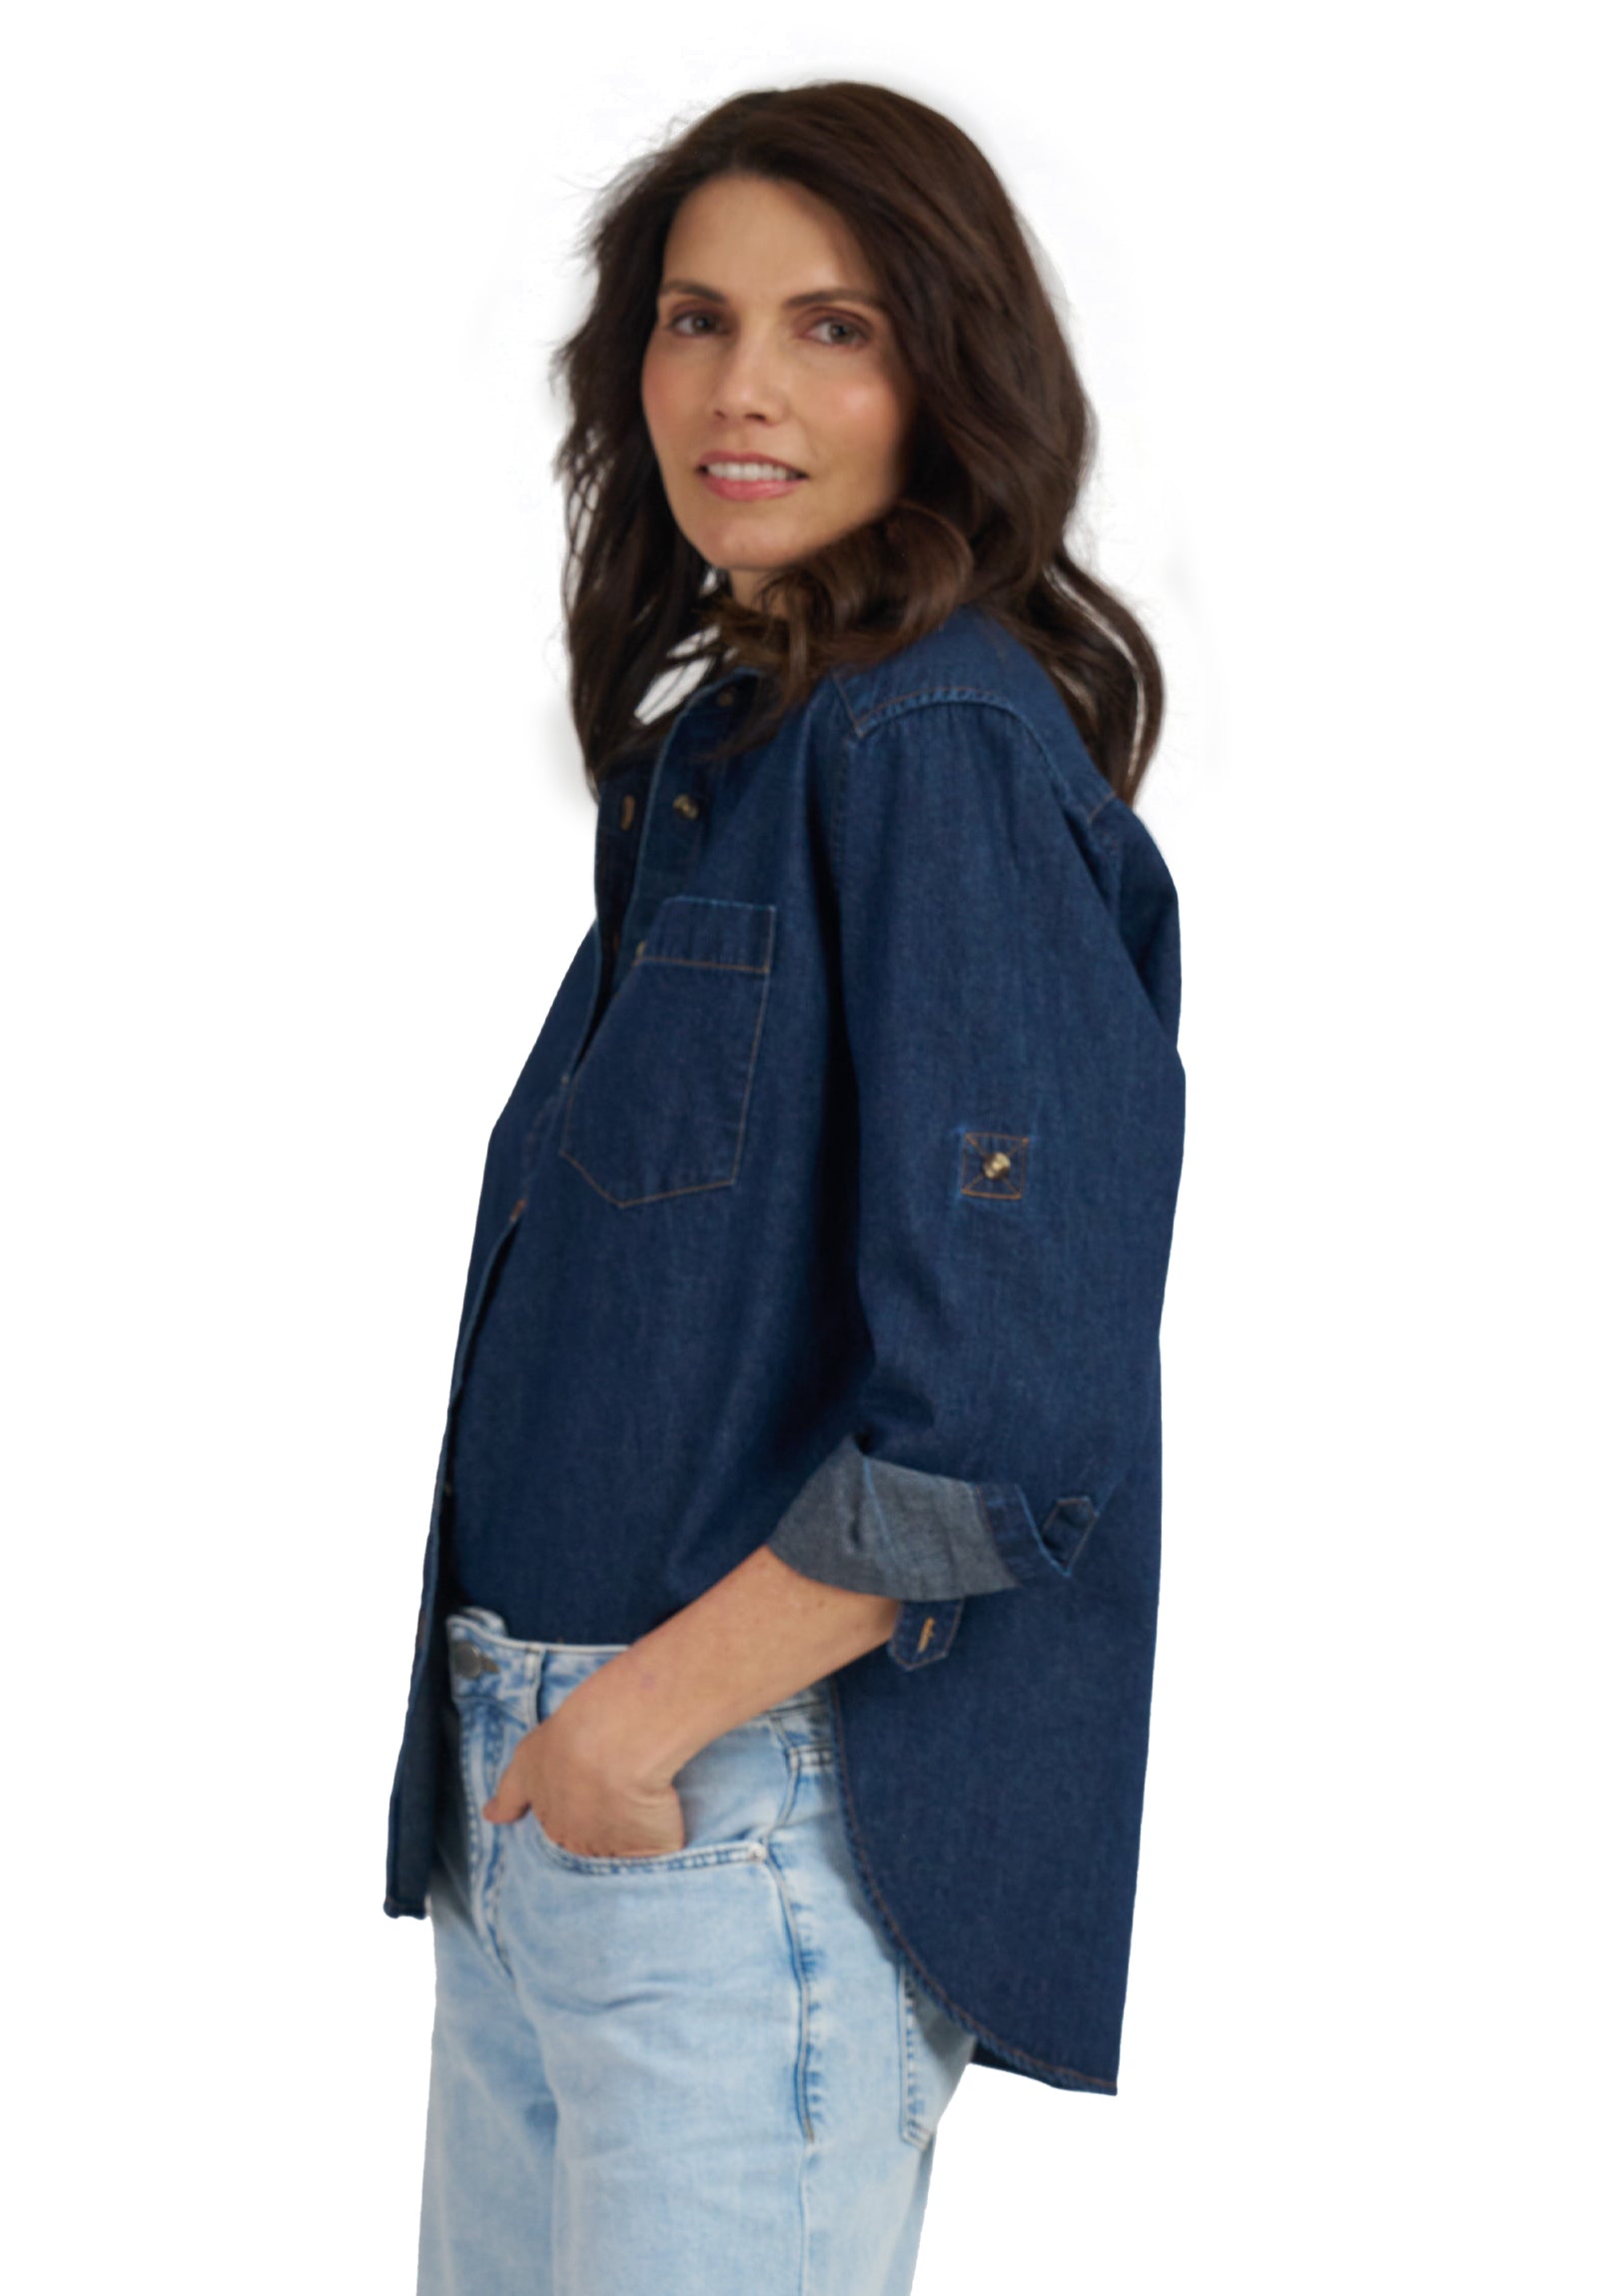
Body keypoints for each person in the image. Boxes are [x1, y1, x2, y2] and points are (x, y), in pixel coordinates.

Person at [386, 78, 1187, 2296]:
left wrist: (641, 1720)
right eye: (696, 318)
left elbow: (1010, 1411)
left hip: (730, 1805)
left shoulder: (934, 742)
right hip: (549, 1794)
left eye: (833, 327)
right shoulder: (735, 754)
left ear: (950, 375)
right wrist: (552, 1749)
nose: (741, 387)